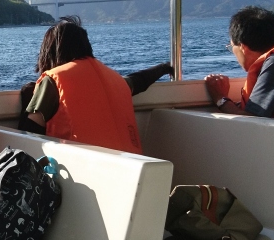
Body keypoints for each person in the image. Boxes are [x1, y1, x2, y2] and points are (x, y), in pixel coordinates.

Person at [19, 16, 173, 153]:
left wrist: (29, 96)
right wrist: (163, 68)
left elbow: (29, 135)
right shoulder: (115, 79)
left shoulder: (53, 81)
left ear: (49, 51)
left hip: (82, 171)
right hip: (132, 167)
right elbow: (138, 81)